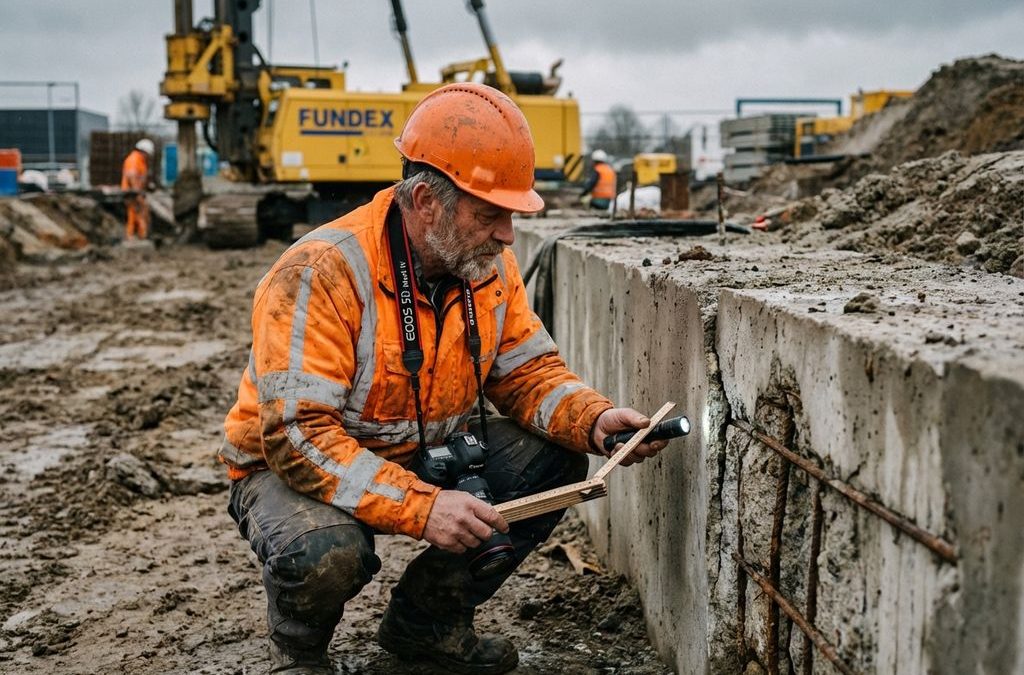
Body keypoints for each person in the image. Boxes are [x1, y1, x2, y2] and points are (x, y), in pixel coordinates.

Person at [219, 82, 670, 675]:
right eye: (491, 215)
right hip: (292, 469)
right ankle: (300, 650)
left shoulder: (484, 262)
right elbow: (296, 437)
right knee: (325, 553)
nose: (508, 234)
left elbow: (527, 371)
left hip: (414, 450)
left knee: (555, 463)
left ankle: (424, 627)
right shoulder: (320, 272)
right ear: (427, 202)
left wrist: (595, 419)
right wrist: (423, 506)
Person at [121, 138, 153, 240]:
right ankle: (135, 236)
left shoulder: (140, 160)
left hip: (135, 192)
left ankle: (137, 235)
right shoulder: (134, 159)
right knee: (136, 213)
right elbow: (132, 176)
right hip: (132, 193)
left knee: (136, 213)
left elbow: (141, 176)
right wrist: (137, 192)